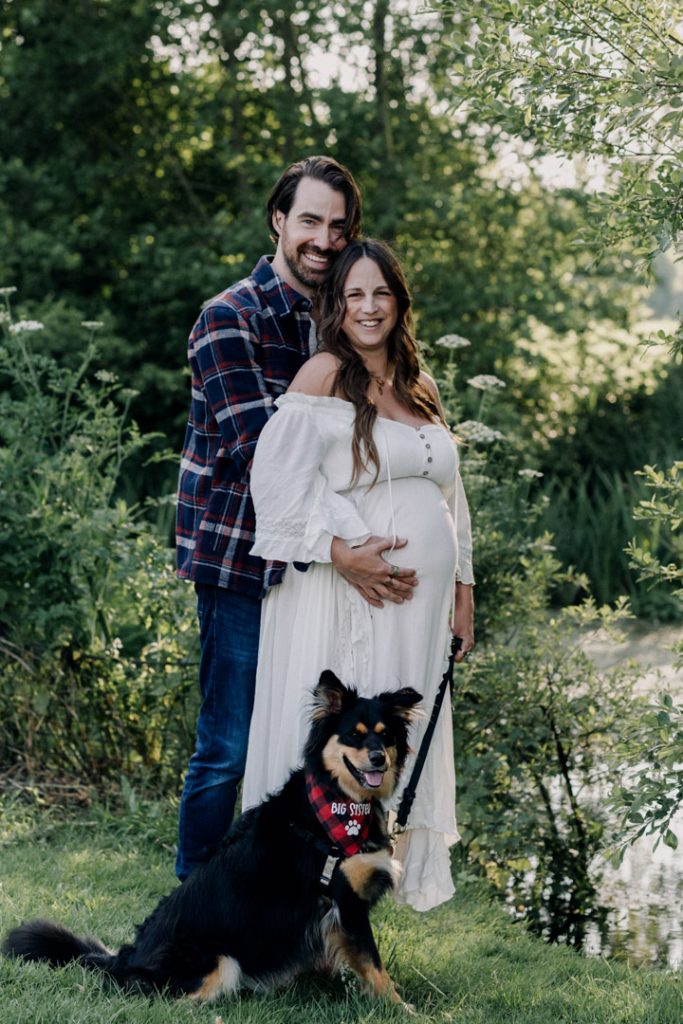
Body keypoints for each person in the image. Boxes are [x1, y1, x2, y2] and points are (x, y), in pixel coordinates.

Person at [174, 159, 416, 882]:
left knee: (298, 739)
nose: (323, 238)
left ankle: (292, 900)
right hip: (244, 563)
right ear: (278, 221)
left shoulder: (340, 323)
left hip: (321, 573)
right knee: (227, 743)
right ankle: (194, 898)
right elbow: (261, 463)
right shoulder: (230, 319)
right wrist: (344, 548)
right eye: (309, 220)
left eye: (339, 227)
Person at [243, 239, 475, 912]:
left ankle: (351, 912)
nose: (368, 308)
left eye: (381, 293)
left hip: (419, 612)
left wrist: (462, 594)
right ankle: (294, 908)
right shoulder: (322, 375)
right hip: (345, 602)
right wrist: (339, 551)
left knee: (391, 753)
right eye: (353, 295)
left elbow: (451, 504)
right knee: (337, 750)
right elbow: (278, 485)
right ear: (335, 306)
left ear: (399, 302)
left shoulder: (419, 384)